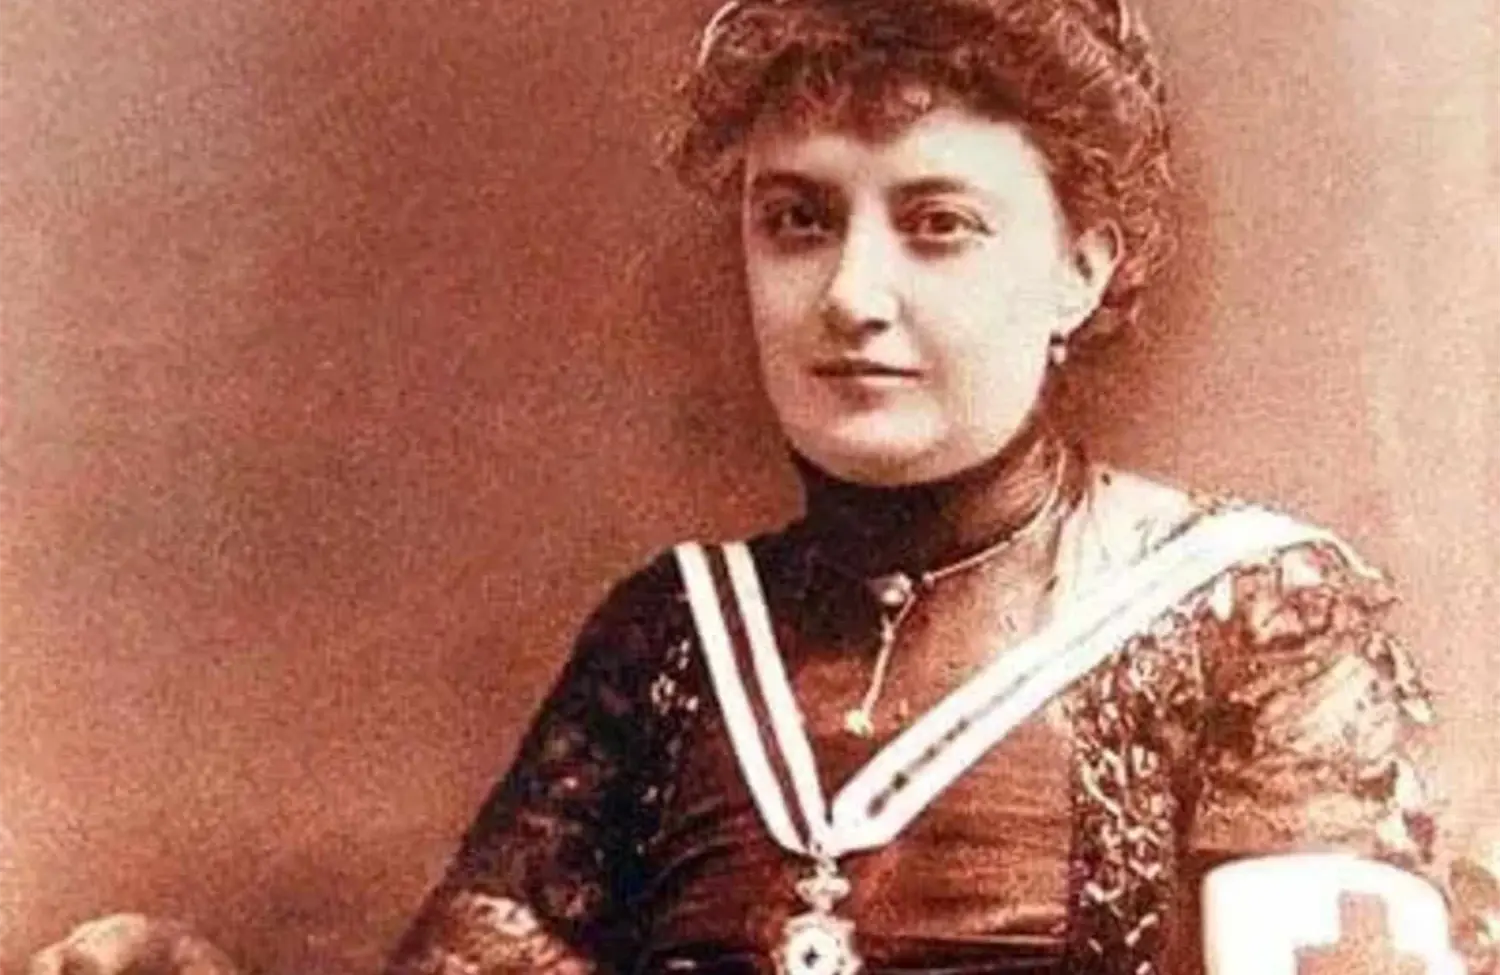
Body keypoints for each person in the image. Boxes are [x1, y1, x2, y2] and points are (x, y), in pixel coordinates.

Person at [375, 1, 1498, 974]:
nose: (851, 295)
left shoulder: (1251, 621)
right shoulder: (670, 640)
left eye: (938, 226)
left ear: (1080, 268)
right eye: (799, 220)